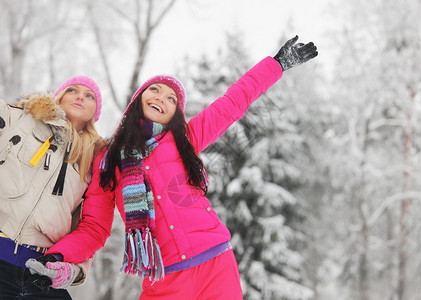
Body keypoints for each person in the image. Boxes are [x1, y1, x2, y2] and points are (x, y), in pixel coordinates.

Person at [28, 36, 318, 299]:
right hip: (163, 278)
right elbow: (94, 226)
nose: (161, 98)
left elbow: (233, 102)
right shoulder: (108, 160)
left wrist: (276, 65)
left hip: (216, 265)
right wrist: (58, 257)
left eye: (171, 99)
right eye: (154, 90)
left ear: (175, 113)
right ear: (138, 100)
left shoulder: (185, 140)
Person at [0, 76, 104, 299]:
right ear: (59, 97)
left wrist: (76, 270)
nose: (80, 97)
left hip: (39, 272)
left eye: (89, 95)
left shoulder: (94, 161)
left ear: (96, 111)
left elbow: (91, 228)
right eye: (72, 90)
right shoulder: (21, 120)